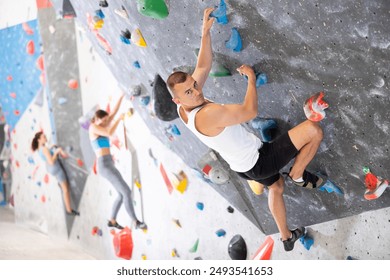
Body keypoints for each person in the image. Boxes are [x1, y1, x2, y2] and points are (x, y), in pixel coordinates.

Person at [167, 7, 326, 251]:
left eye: (194, 85)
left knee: (276, 186)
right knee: (313, 130)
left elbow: (204, 65)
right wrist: (251, 80)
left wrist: (205, 33)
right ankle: (297, 174)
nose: (198, 90)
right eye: (189, 91)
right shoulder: (208, 114)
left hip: (242, 167)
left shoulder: (183, 109)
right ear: (178, 100)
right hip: (260, 159)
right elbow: (249, 111)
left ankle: (286, 237)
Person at [88, 94, 146, 230]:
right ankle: (136, 222)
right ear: (96, 119)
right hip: (104, 165)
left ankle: (112, 220)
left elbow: (112, 113)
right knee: (126, 192)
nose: (105, 122)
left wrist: (121, 96)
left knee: (121, 194)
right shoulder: (93, 128)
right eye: (103, 121)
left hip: (108, 163)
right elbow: (109, 132)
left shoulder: (101, 124)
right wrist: (119, 119)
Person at [31, 132, 79, 216]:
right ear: (39, 140)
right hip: (55, 168)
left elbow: (47, 155)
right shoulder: (44, 149)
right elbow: (52, 161)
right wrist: (57, 152)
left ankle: (68, 207)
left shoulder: (40, 149)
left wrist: (52, 149)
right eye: (44, 137)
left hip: (51, 169)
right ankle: (69, 210)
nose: (45, 137)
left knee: (64, 187)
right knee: (65, 190)